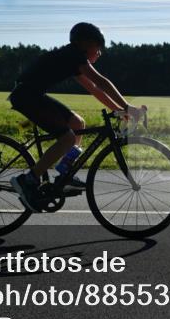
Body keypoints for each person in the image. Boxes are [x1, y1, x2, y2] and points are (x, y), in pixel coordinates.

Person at [8, 22, 143, 213]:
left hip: (31, 94)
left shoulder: (72, 58)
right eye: (98, 46)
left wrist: (119, 110)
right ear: (86, 43)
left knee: (77, 123)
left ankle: (64, 173)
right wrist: (128, 107)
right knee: (68, 138)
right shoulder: (74, 55)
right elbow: (101, 82)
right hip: (27, 96)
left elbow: (94, 89)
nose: (100, 52)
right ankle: (28, 180)